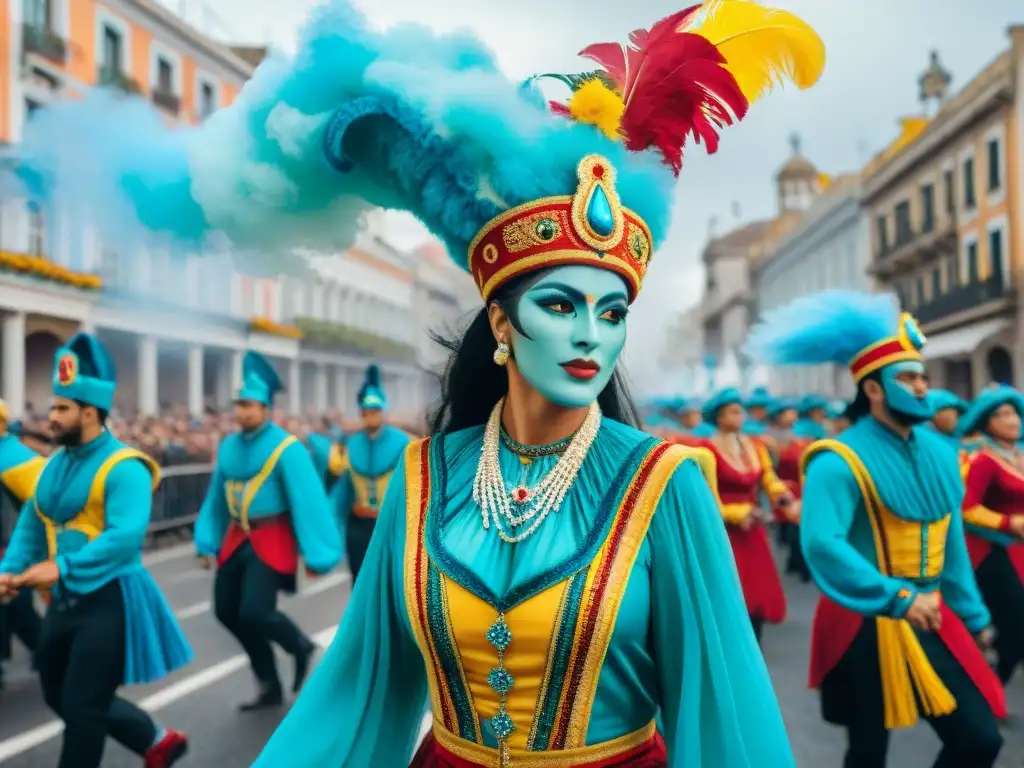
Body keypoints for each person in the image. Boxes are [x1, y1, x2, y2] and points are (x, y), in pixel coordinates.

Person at [11, 0, 825, 763]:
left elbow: (725, 721)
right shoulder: (423, 477)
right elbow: (358, 686)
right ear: (502, 325)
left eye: (612, 313)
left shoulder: (664, 485)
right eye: (560, 303)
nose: (590, 332)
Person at [746, 290, 1006, 768]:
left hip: (932, 614)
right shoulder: (836, 459)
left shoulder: (941, 453)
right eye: (907, 377)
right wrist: (897, 597)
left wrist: (974, 616)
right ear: (873, 389)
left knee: (979, 739)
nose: (923, 387)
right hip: (863, 620)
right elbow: (823, 545)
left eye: (923, 376)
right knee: (868, 751)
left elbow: (950, 548)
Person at [0, 333, 192, 768]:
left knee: (84, 708)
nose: (50, 416)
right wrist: (10, 574)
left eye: (61, 409)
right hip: (64, 603)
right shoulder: (53, 464)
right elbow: (33, 523)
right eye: (53, 406)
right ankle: (156, 740)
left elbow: (125, 537)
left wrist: (61, 566)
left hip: (110, 601)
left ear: (89, 412)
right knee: (57, 693)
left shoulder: (127, 467)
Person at [194, 351, 343, 711]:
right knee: (226, 612)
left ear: (265, 408)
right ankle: (268, 682)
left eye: (249, 405)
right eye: (239, 404)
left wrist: (317, 554)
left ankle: (298, 645)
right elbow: (216, 498)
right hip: (236, 538)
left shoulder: (286, 447)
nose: (241, 411)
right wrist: (206, 541)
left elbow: (307, 500)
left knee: (254, 612)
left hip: (271, 538)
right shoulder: (228, 445)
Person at [700, 387, 793, 641]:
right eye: (733, 411)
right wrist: (736, 512)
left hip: (753, 531)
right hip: (724, 532)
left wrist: (780, 494)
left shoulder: (755, 446)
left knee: (756, 595)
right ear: (719, 417)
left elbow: (768, 478)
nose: (740, 416)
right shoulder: (705, 450)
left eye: (741, 411)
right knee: (728, 594)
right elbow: (705, 498)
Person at [956, 385, 1024, 684]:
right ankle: (989, 682)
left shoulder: (1019, 454)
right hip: (996, 551)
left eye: (1013, 413)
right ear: (986, 421)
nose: (1011, 420)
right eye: (1001, 414)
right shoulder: (983, 460)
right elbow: (966, 509)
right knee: (1016, 628)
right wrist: (1010, 523)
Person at [330, 364, 409, 582]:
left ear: (382, 412)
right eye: (365, 412)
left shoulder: (401, 442)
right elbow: (343, 490)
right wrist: (333, 525)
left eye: (374, 412)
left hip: (390, 524)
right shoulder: (352, 444)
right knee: (359, 580)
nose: (370, 417)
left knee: (390, 582)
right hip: (359, 523)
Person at [0, 398, 46, 690]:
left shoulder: (14, 457)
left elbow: (41, 501)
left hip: (9, 548)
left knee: (18, 610)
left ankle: (51, 656)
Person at [766, 396, 811, 581]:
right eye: (787, 412)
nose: (792, 415)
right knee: (788, 526)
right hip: (781, 487)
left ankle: (798, 561)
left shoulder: (800, 437)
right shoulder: (769, 440)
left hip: (800, 488)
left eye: (793, 412)